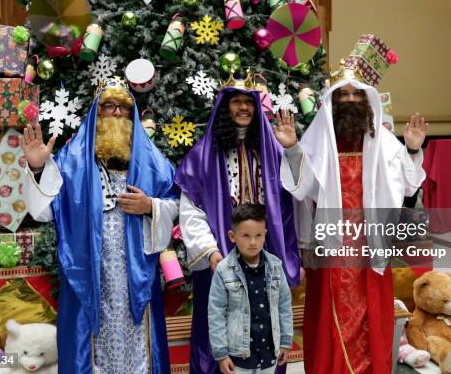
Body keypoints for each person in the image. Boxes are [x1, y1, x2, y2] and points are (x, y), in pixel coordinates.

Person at [277, 41, 428, 374]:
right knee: (329, 318)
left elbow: (407, 184)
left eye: (356, 95)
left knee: (369, 316)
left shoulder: (385, 143)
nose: (349, 101)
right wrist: (291, 149)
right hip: (330, 251)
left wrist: (413, 149)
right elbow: (302, 187)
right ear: (331, 102)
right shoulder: (317, 141)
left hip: (369, 250)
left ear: (367, 100)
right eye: (342, 96)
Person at [21, 78, 178, 374]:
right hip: (88, 274)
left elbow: (176, 203)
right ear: (97, 111)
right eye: (109, 106)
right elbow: (42, 211)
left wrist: (151, 206)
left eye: (124, 108)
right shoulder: (71, 161)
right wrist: (38, 169)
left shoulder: (153, 162)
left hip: (136, 275)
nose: (117, 113)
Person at [175, 82, 303, 374]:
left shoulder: (274, 152)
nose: (244, 107)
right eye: (237, 102)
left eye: (249, 101)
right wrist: (210, 253)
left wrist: (292, 148)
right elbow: (190, 212)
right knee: (217, 329)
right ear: (224, 107)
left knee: (265, 327)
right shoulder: (201, 155)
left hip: (264, 255)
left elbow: (299, 194)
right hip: (220, 258)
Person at [208, 203, 293, 374]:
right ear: (232, 236)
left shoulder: (276, 266)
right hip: (239, 355)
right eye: (246, 236)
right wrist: (221, 354)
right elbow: (216, 313)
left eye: (258, 235)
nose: (253, 242)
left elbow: (284, 306)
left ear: (265, 235)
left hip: (269, 352)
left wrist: (285, 341)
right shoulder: (223, 271)